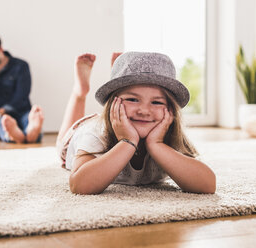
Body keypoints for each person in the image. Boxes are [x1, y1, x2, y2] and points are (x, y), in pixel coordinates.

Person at [56, 52, 216, 195]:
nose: (144, 111)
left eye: (156, 102)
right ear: (113, 102)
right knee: (62, 140)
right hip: (85, 130)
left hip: (127, 121)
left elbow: (208, 185)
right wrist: (127, 142)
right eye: (132, 99)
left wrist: (157, 145)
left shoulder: (168, 134)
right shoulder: (96, 133)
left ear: (170, 110)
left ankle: (120, 78)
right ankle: (80, 92)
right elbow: (79, 186)